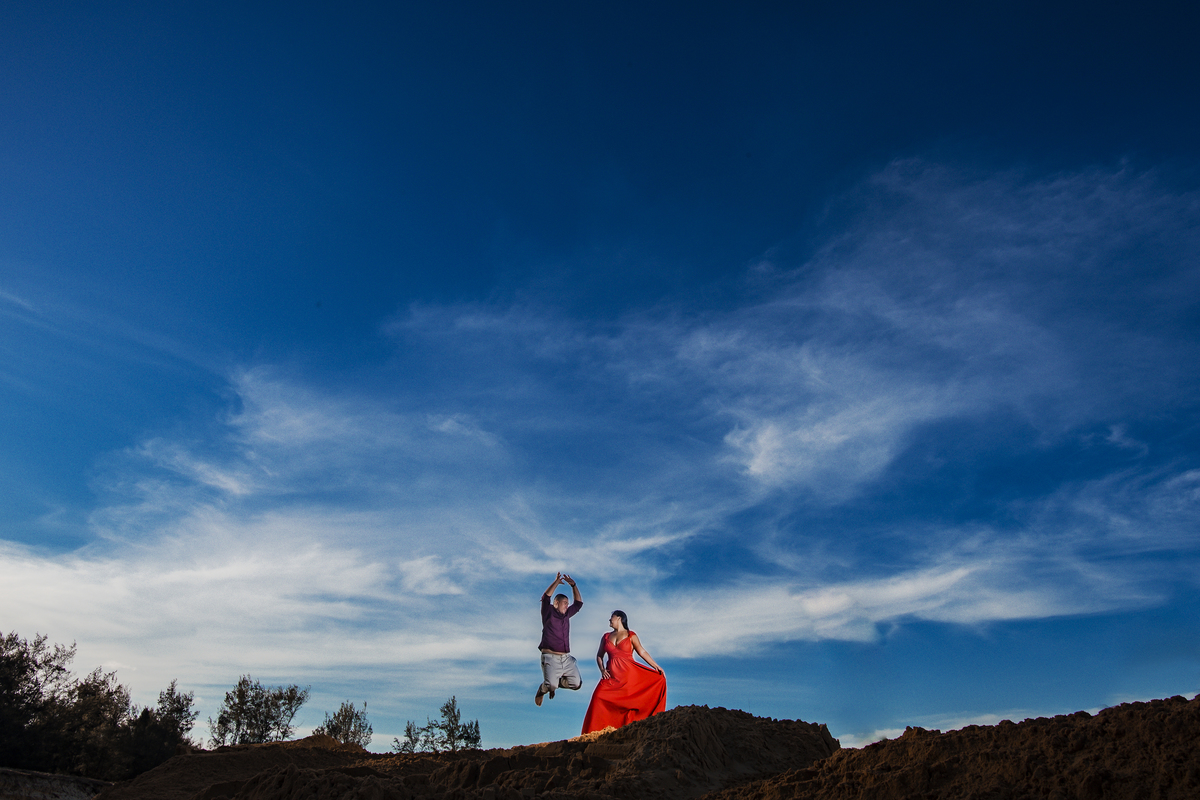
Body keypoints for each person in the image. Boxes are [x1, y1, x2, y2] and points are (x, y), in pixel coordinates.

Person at [580, 609, 666, 733]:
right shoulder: (605, 637)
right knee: (598, 698)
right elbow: (599, 656)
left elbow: (641, 651)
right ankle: (593, 733)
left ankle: (628, 730)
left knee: (628, 705)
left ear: (619, 618)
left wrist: (655, 666)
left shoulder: (631, 635)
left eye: (612, 617)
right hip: (610, 677)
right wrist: (602, 669)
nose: (610, 619)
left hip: (628, 676)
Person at [536, 572, 583, 707]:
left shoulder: (567, 614)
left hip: (565, 658)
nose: (567, 606)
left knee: (576, 684)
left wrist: (573, 585)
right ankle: (543, 688)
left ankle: (557, 681)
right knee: (551, 685)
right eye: (564, 603)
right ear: (556, 603)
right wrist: (556, 582)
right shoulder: (548, 612)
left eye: (568, 604)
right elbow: (545, 597)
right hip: (550, 658)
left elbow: (579, 604)